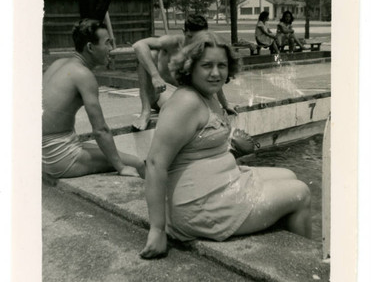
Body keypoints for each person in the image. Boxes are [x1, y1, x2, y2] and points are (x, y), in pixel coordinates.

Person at [139, 31, 312, 259]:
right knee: (301, 192)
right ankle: (303, 264)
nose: (215, 73)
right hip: (201, 205)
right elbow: (154, 163)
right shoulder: (186, 102)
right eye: (207, 65)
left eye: (222, 65)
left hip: (222, 183)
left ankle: (288, 249)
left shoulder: (207, 95)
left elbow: (199, 148)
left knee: (288, 174)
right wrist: (157, 230)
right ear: (190, 66)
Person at [42, 18, 145, 181]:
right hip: (58, 157)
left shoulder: (58, 64)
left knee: (109, 151)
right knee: (138, 163)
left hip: (39, 151)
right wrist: (121, 167)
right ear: (90, 47)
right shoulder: (83, 75)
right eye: (107, 43)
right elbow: (100, 130)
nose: (111, 48)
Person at [131, 14, 237, 131]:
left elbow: (213, 76)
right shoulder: (173, 42)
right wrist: (155, 76)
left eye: (200, 38)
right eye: (191, 37)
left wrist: (225, 104)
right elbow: (138, 45)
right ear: (184, 32)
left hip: (186, 96)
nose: (194, 42)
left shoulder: (203, 48)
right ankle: (145, 113)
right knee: (148, 55)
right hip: (161, 93)